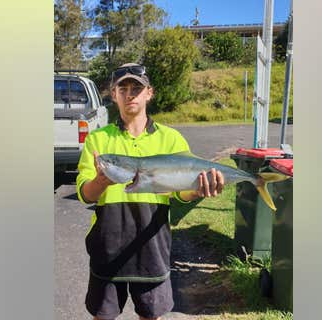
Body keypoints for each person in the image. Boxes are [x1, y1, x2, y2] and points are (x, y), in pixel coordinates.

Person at [76, 63, 225, 320]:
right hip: (107, 246)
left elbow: (181, 194)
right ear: (114, 94)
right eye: (123, 88)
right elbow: (85, 194)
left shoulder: (171, 139)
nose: (130, 94)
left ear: (149, 93)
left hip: (152, 246)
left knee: (150, 316)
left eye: (137, 88)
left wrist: (199, 189)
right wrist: (102, 180)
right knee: (102, 315)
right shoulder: (97, 140)